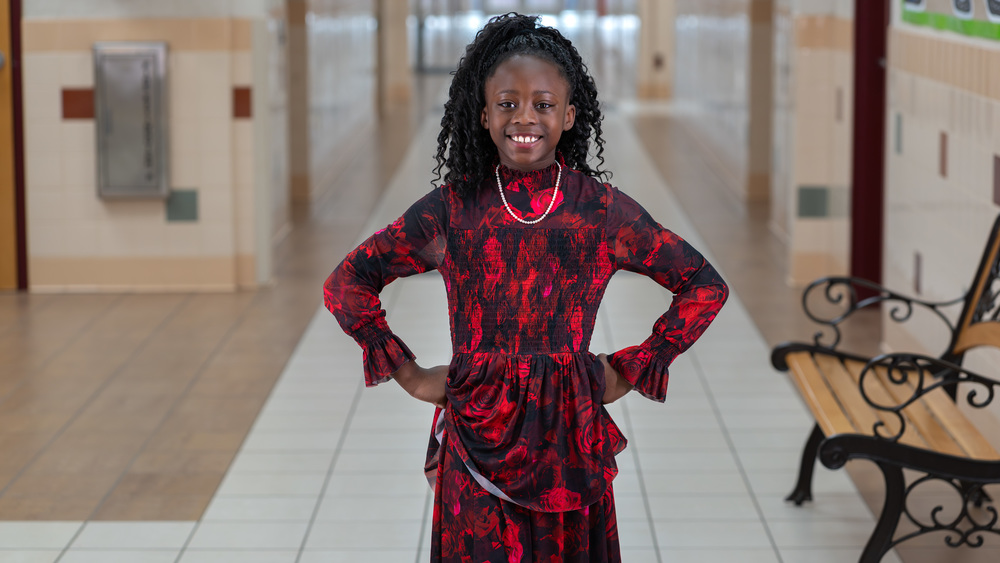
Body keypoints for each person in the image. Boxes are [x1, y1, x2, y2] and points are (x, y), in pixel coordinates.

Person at [324, 12, 728, 562]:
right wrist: (410, 374)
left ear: (568, 115)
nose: (525, 118)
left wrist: (636, 365)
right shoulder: (453, 209)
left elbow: (703, 285)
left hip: (569, 439)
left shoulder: (600, 210)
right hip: (475, 437)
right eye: (508, 103)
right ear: (485, 115)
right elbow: (348, 281)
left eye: (543, 104)